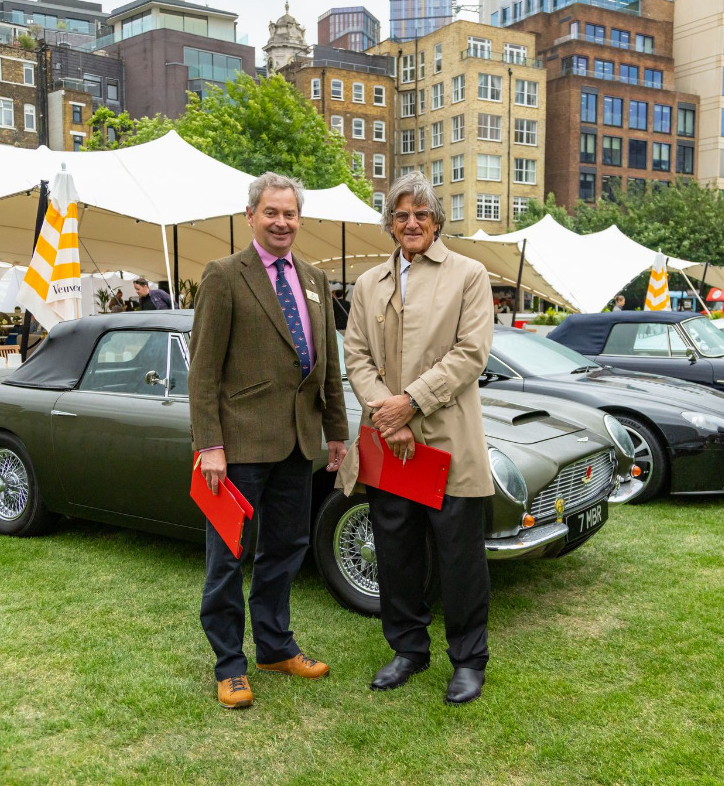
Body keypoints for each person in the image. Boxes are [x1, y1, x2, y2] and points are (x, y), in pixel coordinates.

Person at [188, 172, 349, 710]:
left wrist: (336, 432)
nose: (282, 222)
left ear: (300, 219)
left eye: (290, 213)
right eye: (271, 212)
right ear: (251, 215)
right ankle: (229, 665)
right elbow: (203, 371)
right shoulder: (223, 275)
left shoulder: (314, 280)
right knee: (227, 557)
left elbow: (327, 363)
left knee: (286, 549)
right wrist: (209, 445)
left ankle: (276, 648)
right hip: (237, 447)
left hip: (298, 444)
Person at [339, 173, 494, 705]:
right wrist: (389, 415)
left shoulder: (469, 274)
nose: (411, 223)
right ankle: (408, 649)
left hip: (448, 441)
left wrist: (411, 402)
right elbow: (356, 356)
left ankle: (468, 660)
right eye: (401, 215)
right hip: (391, 443)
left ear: (437, 222)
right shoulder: (368, 284)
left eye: (421, 214)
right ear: (389, 223)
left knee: (460, 558)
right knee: (396, 553)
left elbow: (471, 353)